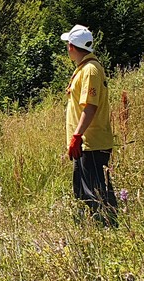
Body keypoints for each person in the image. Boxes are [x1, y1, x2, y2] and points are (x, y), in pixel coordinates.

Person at [60, 24, 117, 226]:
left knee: (96, 194)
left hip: (91, 143)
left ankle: (106, 229)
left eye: (68, 44)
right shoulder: (85, 68)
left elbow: (90, 107)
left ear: (72, 47)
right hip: (86, 144)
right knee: (87, 192)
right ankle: (102, 227)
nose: (67, 48)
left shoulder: (90, 70)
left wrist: (77, 137)